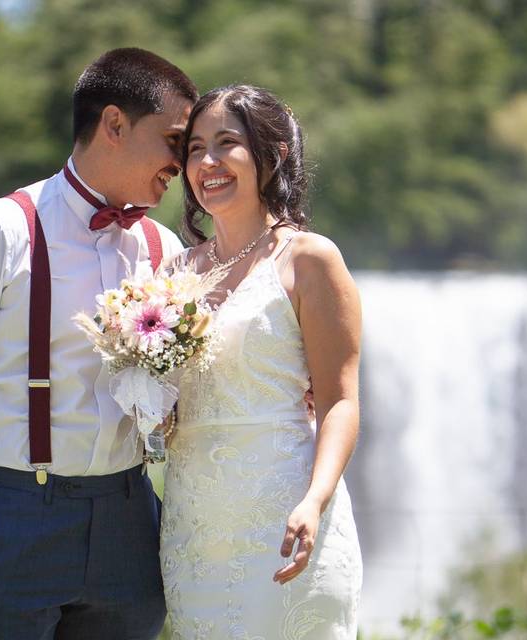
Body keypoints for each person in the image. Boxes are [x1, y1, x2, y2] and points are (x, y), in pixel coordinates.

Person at [0, 48, 196, 640]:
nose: (181, 164)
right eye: (175, 141)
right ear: (114, 125)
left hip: (130, 524)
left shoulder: (161, 248)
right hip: (11, 521)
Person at [159, 85, 363, 638]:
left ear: (274, 155)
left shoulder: (309, 259)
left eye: (228, 144)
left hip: (286, 520)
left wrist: (314, 501)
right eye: (195, 148)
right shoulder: (173, 272)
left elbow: (341, 400)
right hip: (193, 526)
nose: (208, 163)